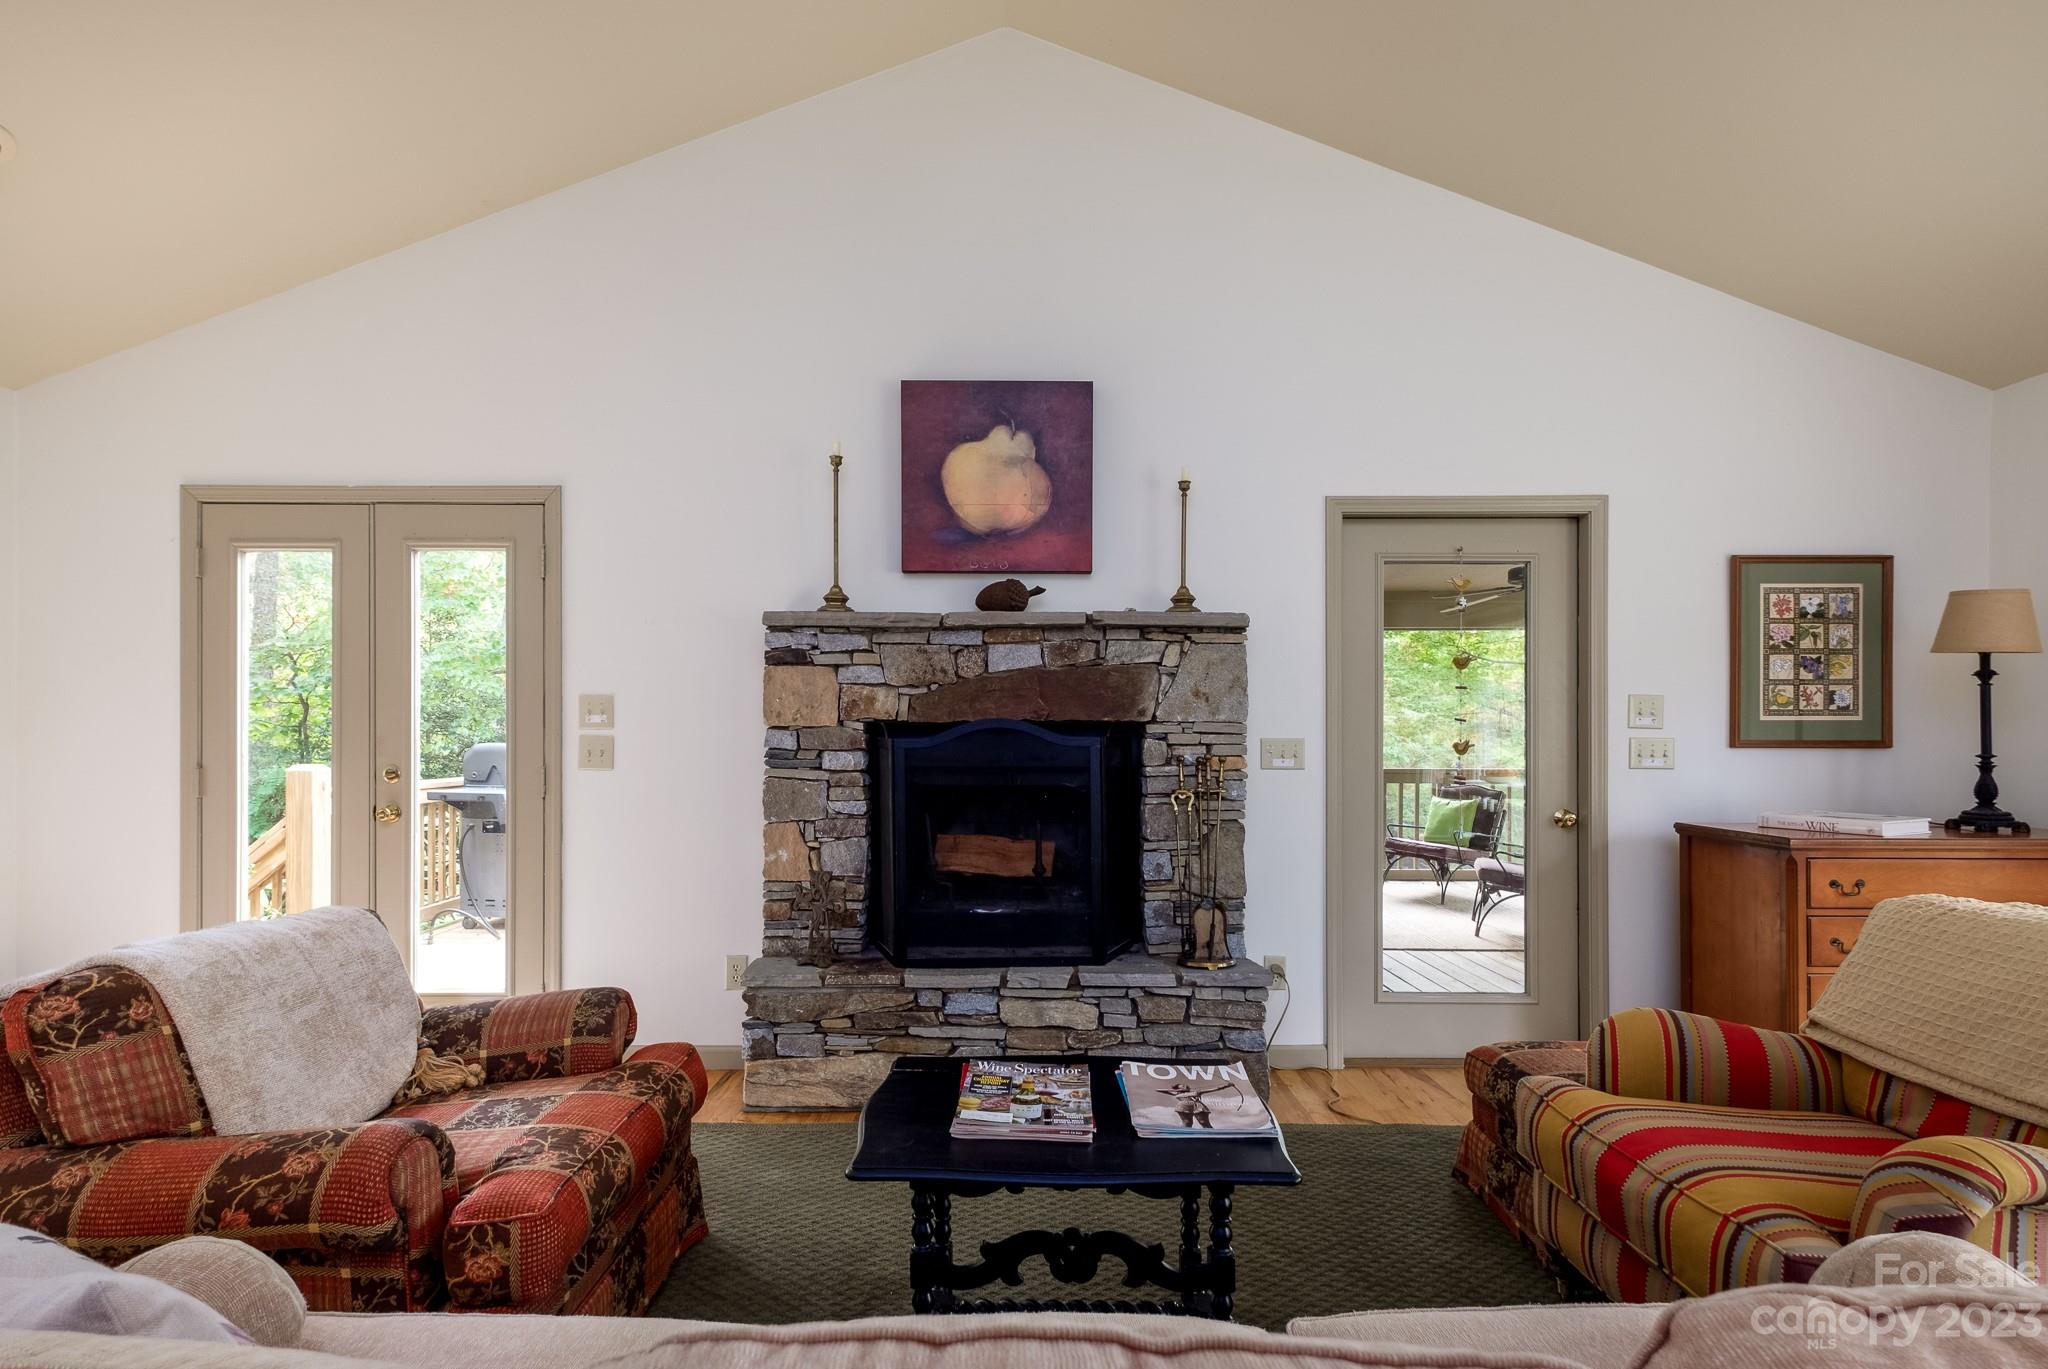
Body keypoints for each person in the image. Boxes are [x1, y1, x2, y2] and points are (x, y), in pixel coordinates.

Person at [1165, 1080, 1236, 1129]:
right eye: (1183, 1086)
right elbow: (1160, 1090)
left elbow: (1214, 1089)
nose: (1185, 1086)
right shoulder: (1176, 1093)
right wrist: (1177, 1091)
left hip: (1197, 1107)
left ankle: (1212, 1136)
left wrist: (1227, 1086)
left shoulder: (1195, 1092)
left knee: (1204, 1123)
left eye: (1186, 1085)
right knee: (1187, 1124)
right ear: (1178, 1089)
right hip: (1183, 1107)